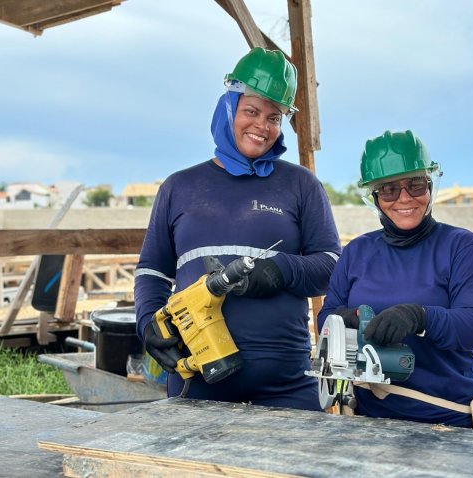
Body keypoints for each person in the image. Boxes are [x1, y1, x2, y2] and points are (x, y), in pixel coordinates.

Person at [134, 47, 341, 411]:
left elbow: (331, 266)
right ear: (228, 106)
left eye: (274, 117)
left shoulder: (301, 185)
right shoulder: (179, 187)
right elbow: (151, 270)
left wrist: (279, 270)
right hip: (197, 378)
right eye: (251, 111)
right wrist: (149, 323)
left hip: (287, 382)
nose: (262, 126)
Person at [317, 130, 473, 428]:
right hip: (366, 420)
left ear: (430, 186)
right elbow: (326, 320)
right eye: (389, 189)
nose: (404, 198)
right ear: (373, 196)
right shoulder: (357, 252)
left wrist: (422, 318)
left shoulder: (462, 248)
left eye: (415, 185)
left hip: (446, 419)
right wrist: (345, 319)